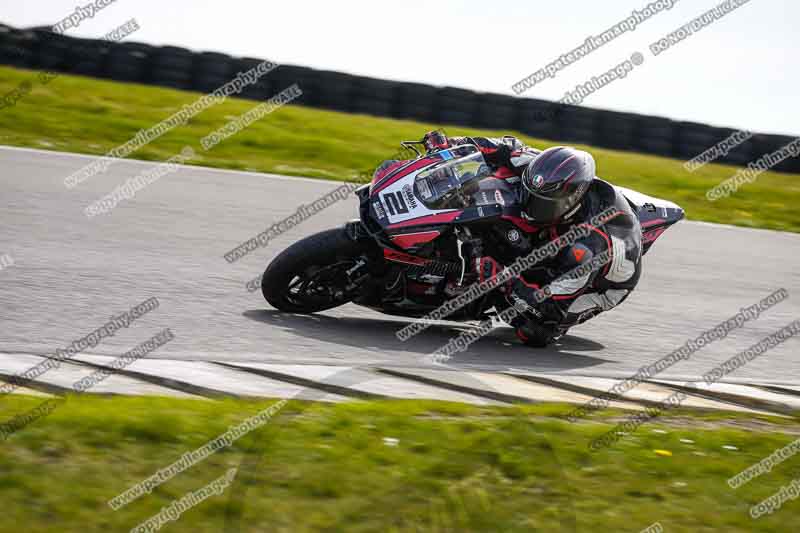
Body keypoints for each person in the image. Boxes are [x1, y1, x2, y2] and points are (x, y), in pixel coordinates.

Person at [421, 131, 643, 347]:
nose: (530, 207)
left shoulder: (585, 248)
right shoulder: (542, 171)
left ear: (571, 202)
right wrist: (451, 145)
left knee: (533, 330)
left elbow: (548, 309)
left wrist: (503, 277)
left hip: (599, 286)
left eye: (542, 204)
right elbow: (505, 148)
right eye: (530, 196)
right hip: (566, 231)